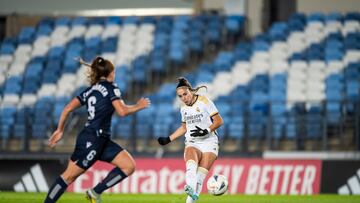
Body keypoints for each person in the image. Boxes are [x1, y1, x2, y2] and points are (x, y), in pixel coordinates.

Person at [44, 56, 150, 203]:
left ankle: (95, 192)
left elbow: (67, 108)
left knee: (128, 166)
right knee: (68, 177)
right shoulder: (112, 88)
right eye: (114, 71)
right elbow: (122, 111)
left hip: (101, 139)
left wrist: (60, 129)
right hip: (92, 140)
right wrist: (139, 105)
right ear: (110, 73)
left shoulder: (90, 90)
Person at [157, 77, 223, 203]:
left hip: (210, 141)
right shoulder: (184, 109)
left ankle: (191, 191)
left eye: (185, 94)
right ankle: (190, 187)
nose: (184, 98)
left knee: (199, 178)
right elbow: (184, 128)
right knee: (191, 165)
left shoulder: (205, 101)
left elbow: (219, 121)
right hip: (193, 141)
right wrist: (169, 139)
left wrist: (206, 130)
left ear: (190, 91)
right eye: (180, 96)